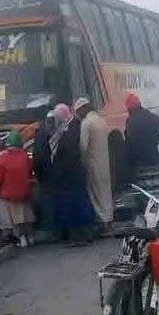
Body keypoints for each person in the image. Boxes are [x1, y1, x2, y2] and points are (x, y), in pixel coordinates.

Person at [50, 104, 94, 246]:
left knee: (78, 203)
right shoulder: (68, 127)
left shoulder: (74, 126)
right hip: (70, 173)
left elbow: (71, 150)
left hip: (72, 173)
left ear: (62, 115)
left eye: (57, 117)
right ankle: (81, 235)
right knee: (76, 203)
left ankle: (83, 235)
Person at [73, 97, 113, 235]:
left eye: (77, 112)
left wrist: (80, 162)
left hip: (92, 164)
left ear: (82, 110)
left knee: (96, 194)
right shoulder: (100, 120)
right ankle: (109, 219)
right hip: (105, 163)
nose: (77, 115)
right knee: (105, 193)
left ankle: (103, 224)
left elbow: (83, 147)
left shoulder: (87, 123)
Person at [0, 131, 35, 247]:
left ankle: (21, 238)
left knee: (15, 217)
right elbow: (30, 173)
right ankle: (31, 236)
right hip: (25, 192)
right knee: (27, 214)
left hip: (9, 193)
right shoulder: (25, 156)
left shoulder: (1, 157)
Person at [124, 93, 159, 198]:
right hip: (154, 157)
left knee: (145, 189)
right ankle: (158, 206)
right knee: (156, 185)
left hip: (140, 162)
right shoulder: (153, 117)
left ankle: (148, 209)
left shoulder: (131, 121)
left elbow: (129, 143)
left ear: (130, 108)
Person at [33, 109, 56, 235]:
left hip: (45, 174)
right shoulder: (54, 131)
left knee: (47, 202)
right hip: (53, 172)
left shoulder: (40, 134)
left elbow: (38, 157)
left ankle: (52, 230)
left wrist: (37, 171)